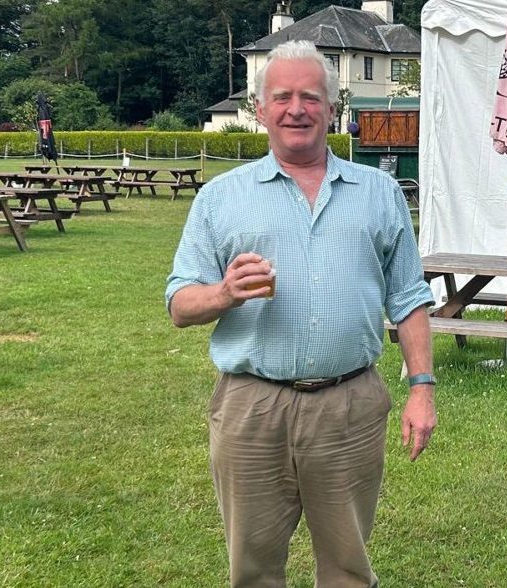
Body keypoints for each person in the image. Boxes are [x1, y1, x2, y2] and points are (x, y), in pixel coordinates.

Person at [165, 40, 436, 588]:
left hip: (349, 406)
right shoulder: (221, 198)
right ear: (259, 109)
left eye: (311, 97)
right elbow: (179, 304)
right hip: (251, 409)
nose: (297, 109)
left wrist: (422, 387)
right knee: (254, 567)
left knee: (347, 567)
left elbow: (408, 298)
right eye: (282, 97)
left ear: (331, 109)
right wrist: (223, 293)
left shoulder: (379, 193)